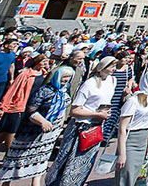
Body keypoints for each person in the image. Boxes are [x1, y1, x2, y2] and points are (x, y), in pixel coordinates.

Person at [45, 56, 117, 186]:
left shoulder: (112, 80)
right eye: (111, 66)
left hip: (97, 125)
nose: (113, 69)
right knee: (69, 162)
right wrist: (96, 114)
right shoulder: (90, 83)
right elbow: (75, 110)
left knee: (85, 163)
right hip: (82, 126)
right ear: (103, 67)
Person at [0, 66, 74, 186]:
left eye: (68, 79)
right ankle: (6, 182)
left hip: (49, 133)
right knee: (16, 158)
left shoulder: (64, 91)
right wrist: (42, 121)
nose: (65, 81)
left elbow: (63, 107)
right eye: (64, 78)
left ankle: (36, 183)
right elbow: (31, 109)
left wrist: (60, 121)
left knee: (41, 160)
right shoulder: (44, 90)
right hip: (31, 132)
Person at [0, 54, 49, 159]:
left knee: (10, 131)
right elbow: (13, 89)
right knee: (12, 130)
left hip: (30, 106)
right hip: (18, 105)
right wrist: (3, 106)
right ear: (37, 61)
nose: (46, 63)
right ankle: (8, 156)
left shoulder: (44, 74)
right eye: (43, 61)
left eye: (47, 61)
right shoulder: (26, 74)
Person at [115, 68, 148, 186]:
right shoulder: (133, 100)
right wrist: (121, 153)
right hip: (131, 141)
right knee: (126, 177)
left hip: (143, 141)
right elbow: (122, 128)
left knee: (137, 176)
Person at [103, 49, 136, 143]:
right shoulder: (113, 68)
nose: (127, 60)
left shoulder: (127, 68)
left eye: (128, 58)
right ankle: (102, 135)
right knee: (108, 113)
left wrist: (128, 87)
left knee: (115, 115)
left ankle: (107, 136)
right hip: (111, 93)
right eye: (125, 58)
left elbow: (130, 78)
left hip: (121, 94)